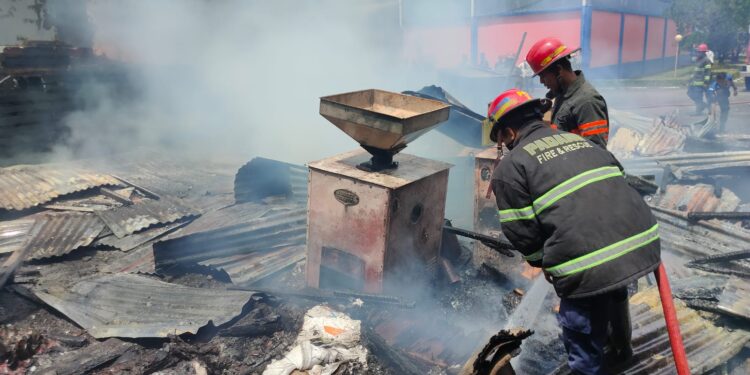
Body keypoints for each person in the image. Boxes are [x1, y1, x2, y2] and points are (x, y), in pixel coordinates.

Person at [487, 88, 661, 375]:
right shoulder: (580, 142)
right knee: (614, 287)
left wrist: (544, 261)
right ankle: (621, 350)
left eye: (502, 139)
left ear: (507, 134)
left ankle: (588, 367)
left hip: (591, 260)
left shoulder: (511, 168)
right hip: (645, 242)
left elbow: (522, 233)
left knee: (579, 323)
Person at [525, 37, 609, 149]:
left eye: (543, 76)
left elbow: (596, 151)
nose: (541, 81)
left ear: (559, 70)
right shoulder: (563, 96)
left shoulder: (587, 101)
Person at [687, 43, 713, 115]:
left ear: (703, 52)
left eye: (699, 51)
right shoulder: (698, 60)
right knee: (689, 93)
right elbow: (695, 71)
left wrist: (706, 82)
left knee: (698, 97)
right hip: (694, 82)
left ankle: (698, 111)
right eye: (697, 51)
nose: (697, 53)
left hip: (701, 83)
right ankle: (703, 105)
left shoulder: (706, 60)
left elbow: (708, 72)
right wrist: (690, 79)